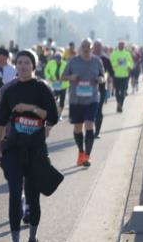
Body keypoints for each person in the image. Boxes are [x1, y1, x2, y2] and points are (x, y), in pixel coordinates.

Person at [0, 50, 59, 242]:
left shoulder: (42, 88)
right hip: (13, 149)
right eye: (20, 62)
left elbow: (53, 116)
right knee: (15, 195)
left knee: (33, 197)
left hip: (35, 150)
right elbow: (1, 122)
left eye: (27, 63)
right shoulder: (10, 89)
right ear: (16, 65)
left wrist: (31, 108)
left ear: (34, 65)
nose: (23, 66)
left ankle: (32, 241)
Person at [61, 38, 104, 167]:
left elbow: (103, 76)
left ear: (91, 48)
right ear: (80, 48)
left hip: (92, 99)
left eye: (88, 46)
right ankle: (81, 152)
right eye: (83, 46)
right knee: (78, 127)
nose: (85, 48)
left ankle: (87, 156)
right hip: (76, 100)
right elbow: (62, 77)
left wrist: (100, 79)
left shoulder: (97, 61)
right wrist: (71, 77)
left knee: (89, 125)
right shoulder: (73, 61)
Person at [94, 40, 113, 138]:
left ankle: (96, 131)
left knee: (98, 110)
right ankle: (90, 128)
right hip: (88, 89)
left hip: (101, 88)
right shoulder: (88, 57)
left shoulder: (105, 59)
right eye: (95, 46)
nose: (97, 48)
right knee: (89, 111)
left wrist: (107, 77)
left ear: (101, 47)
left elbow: (111, 72)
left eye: (99, 46)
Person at [109, 40, 135, 112]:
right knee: (117, 91)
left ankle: (120, 104)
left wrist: (129, 66)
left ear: (124, 46)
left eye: (123, 45)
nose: (121, 46)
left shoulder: (127, 54)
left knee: (123, 91)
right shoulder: (114, 54)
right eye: (120, 45)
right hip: (116, 75)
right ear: (118, 45)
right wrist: (117, 63)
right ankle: (118, 103)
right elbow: (110, 64)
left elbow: (131, 62)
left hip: (125, 75)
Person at [44, 51, 69, 115]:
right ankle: (55, 112)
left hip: (63, 85)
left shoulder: (65, 64)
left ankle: (59, 114)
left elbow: (69, 72)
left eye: (59, 58)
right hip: (54, 84)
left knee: (62, 101)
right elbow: (46, 71)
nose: (58, 60)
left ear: (61, 58)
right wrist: (49, 77)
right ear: (55, 58)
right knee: (54, 99)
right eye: (57, 58)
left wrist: (64, 78)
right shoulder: (50, 63)